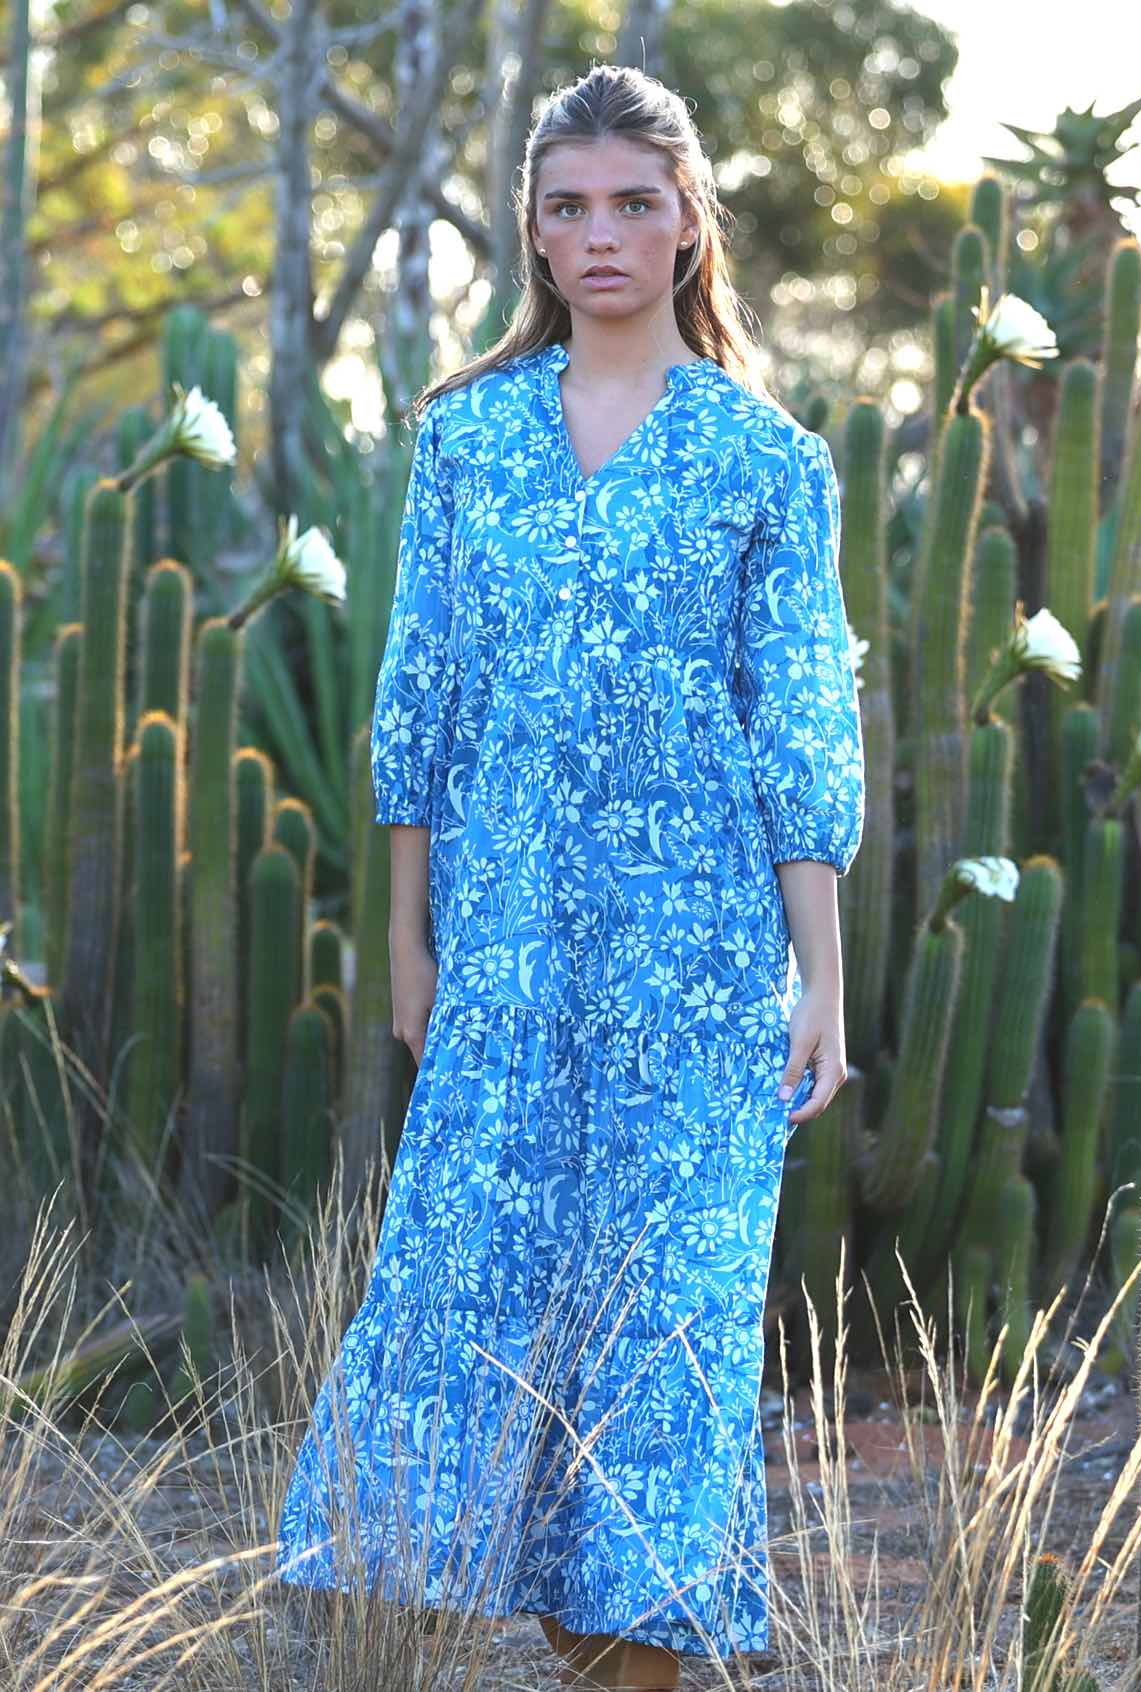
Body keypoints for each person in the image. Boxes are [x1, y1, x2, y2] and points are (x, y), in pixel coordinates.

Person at [275, 61, 866, 1692]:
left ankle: (632, 1668)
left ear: (688, 226)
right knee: (491, 1292)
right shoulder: (467, 443)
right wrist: (409, 940)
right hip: (510, 956)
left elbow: (802, 729)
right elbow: (421, 699)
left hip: (700, 968)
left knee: (665, 1325)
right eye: (566, 207)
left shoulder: (769, 463)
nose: (599, 233)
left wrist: (821, 982)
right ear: (531, 234)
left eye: (632, 202)